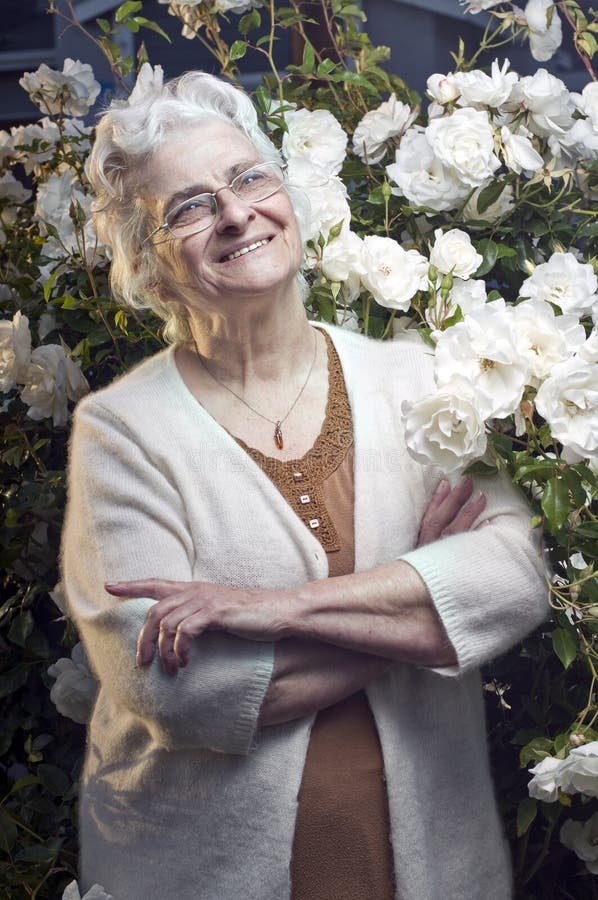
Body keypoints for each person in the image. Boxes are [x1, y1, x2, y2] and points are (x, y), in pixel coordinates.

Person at [61, 71, 548, 900]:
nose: (236, 212)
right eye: (188, 207)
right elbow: (178, 690)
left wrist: (268, 610)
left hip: (426, 861)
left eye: (249, 177)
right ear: (148, 267)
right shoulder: (122, 430)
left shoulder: (415, 381)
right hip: (202, 869)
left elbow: (516, 580)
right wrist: (418, 601)